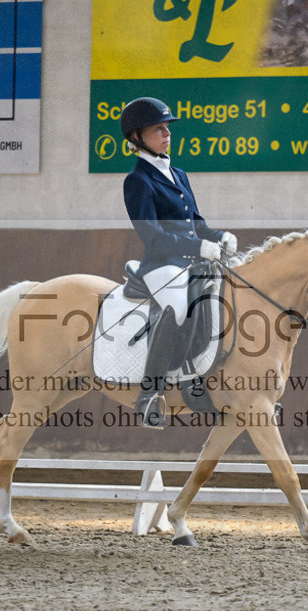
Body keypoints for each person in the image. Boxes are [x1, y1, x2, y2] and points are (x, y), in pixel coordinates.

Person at [119, 97, 238, 429]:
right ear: (136, 138)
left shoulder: (178, 173)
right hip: (161, 265)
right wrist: (199, 247)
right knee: (178, 307)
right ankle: (149, 395)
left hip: (190, 259)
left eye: (167, 127)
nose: (166, 133)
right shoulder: (137, 181)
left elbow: (197, 223)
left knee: (223, 295)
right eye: (158, 129)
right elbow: (153, 237)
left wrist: (219, 237)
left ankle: (195, 378)